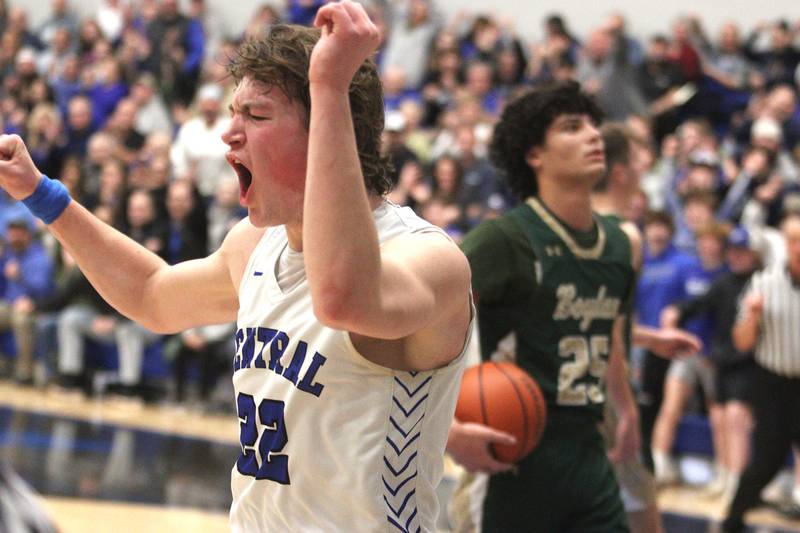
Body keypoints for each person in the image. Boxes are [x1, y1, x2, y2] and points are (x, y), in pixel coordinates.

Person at [0, 2, 472, 532]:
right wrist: (43, 197)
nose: (230, 133)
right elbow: (153, 294)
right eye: (233, 112)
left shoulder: (427, 258)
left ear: (330, 130)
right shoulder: (254, 244)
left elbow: (342, 298)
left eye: (257, 116)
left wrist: (331, 87)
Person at [447, 81, 639, 532]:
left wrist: (626, 409)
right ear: (534, 154)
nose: (593, 135)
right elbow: (421, 329)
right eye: (573, 127)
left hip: (587, 450)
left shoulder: (620, 243)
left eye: (594, 124)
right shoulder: (505, 239)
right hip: (512, 453)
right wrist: (447, 430)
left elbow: (607, 331)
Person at [722, 212, 800, 532]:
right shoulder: (763, 283)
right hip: (774, 384)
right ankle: (732, 520)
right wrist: (751, 317)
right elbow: (741, 342)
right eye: (794, 240)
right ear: (786, 244)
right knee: (765, 462)